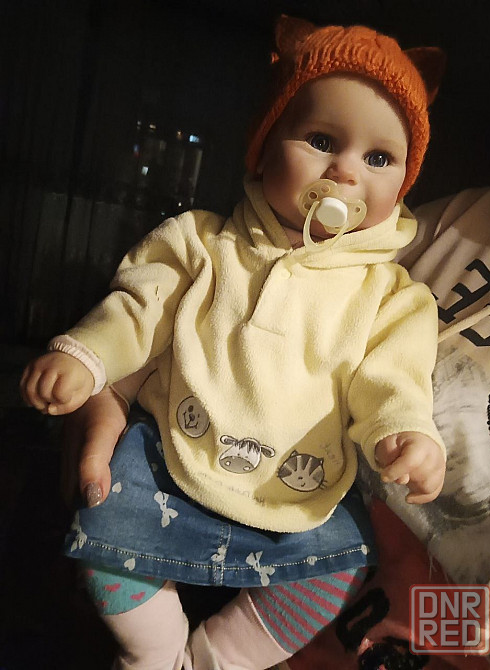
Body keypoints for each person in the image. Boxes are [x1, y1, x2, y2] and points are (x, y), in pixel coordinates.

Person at [20, 16, 447, 670]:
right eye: (322, 141)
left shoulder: (391, 295)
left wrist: (405, 433)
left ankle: (217, 660)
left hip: (293, 488)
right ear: (263, 147)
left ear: (403, 183)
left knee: (333, 570)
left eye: (379, 158)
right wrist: (86, 356)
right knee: (104, 536)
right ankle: (154, 652)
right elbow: (138, 311)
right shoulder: (202, 242)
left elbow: (395, 378)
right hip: (171, 459)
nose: (344, 172)